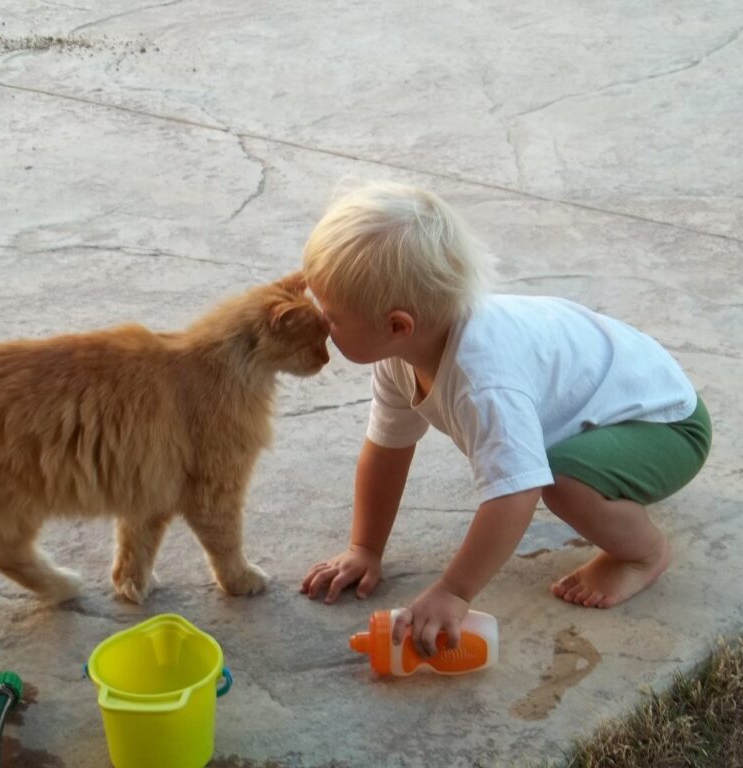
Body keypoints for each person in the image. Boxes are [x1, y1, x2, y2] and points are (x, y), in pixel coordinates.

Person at [298, 182, 711, 657]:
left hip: (669, 428)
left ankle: (643, 554)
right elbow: (386, 450)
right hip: (615, 414)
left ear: (397, 325)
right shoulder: (402, 357)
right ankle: (608, 485)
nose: (318, 324)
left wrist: (454, 591)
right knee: (549, 463)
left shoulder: (484, 379)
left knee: (558, 477)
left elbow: (516, 491)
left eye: (330, 317)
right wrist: (364, 549)